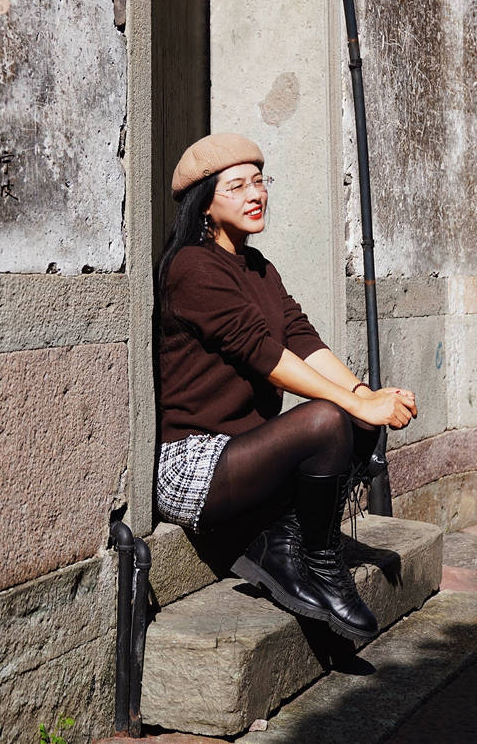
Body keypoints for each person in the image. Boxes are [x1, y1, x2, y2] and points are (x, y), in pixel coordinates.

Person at [155, 132, 417, 642]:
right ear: (205, 203)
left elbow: (301, 338)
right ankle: (317, 560)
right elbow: (265, 355)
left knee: (355, 414)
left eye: (259, 181)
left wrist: (366, 396)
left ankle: (292, 542)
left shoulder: (260, 269)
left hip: (247, 453)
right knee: (326, 418)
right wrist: (352, 402)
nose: (255, 195)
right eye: (237, 186)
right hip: (194, 464)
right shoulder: (191, 267)